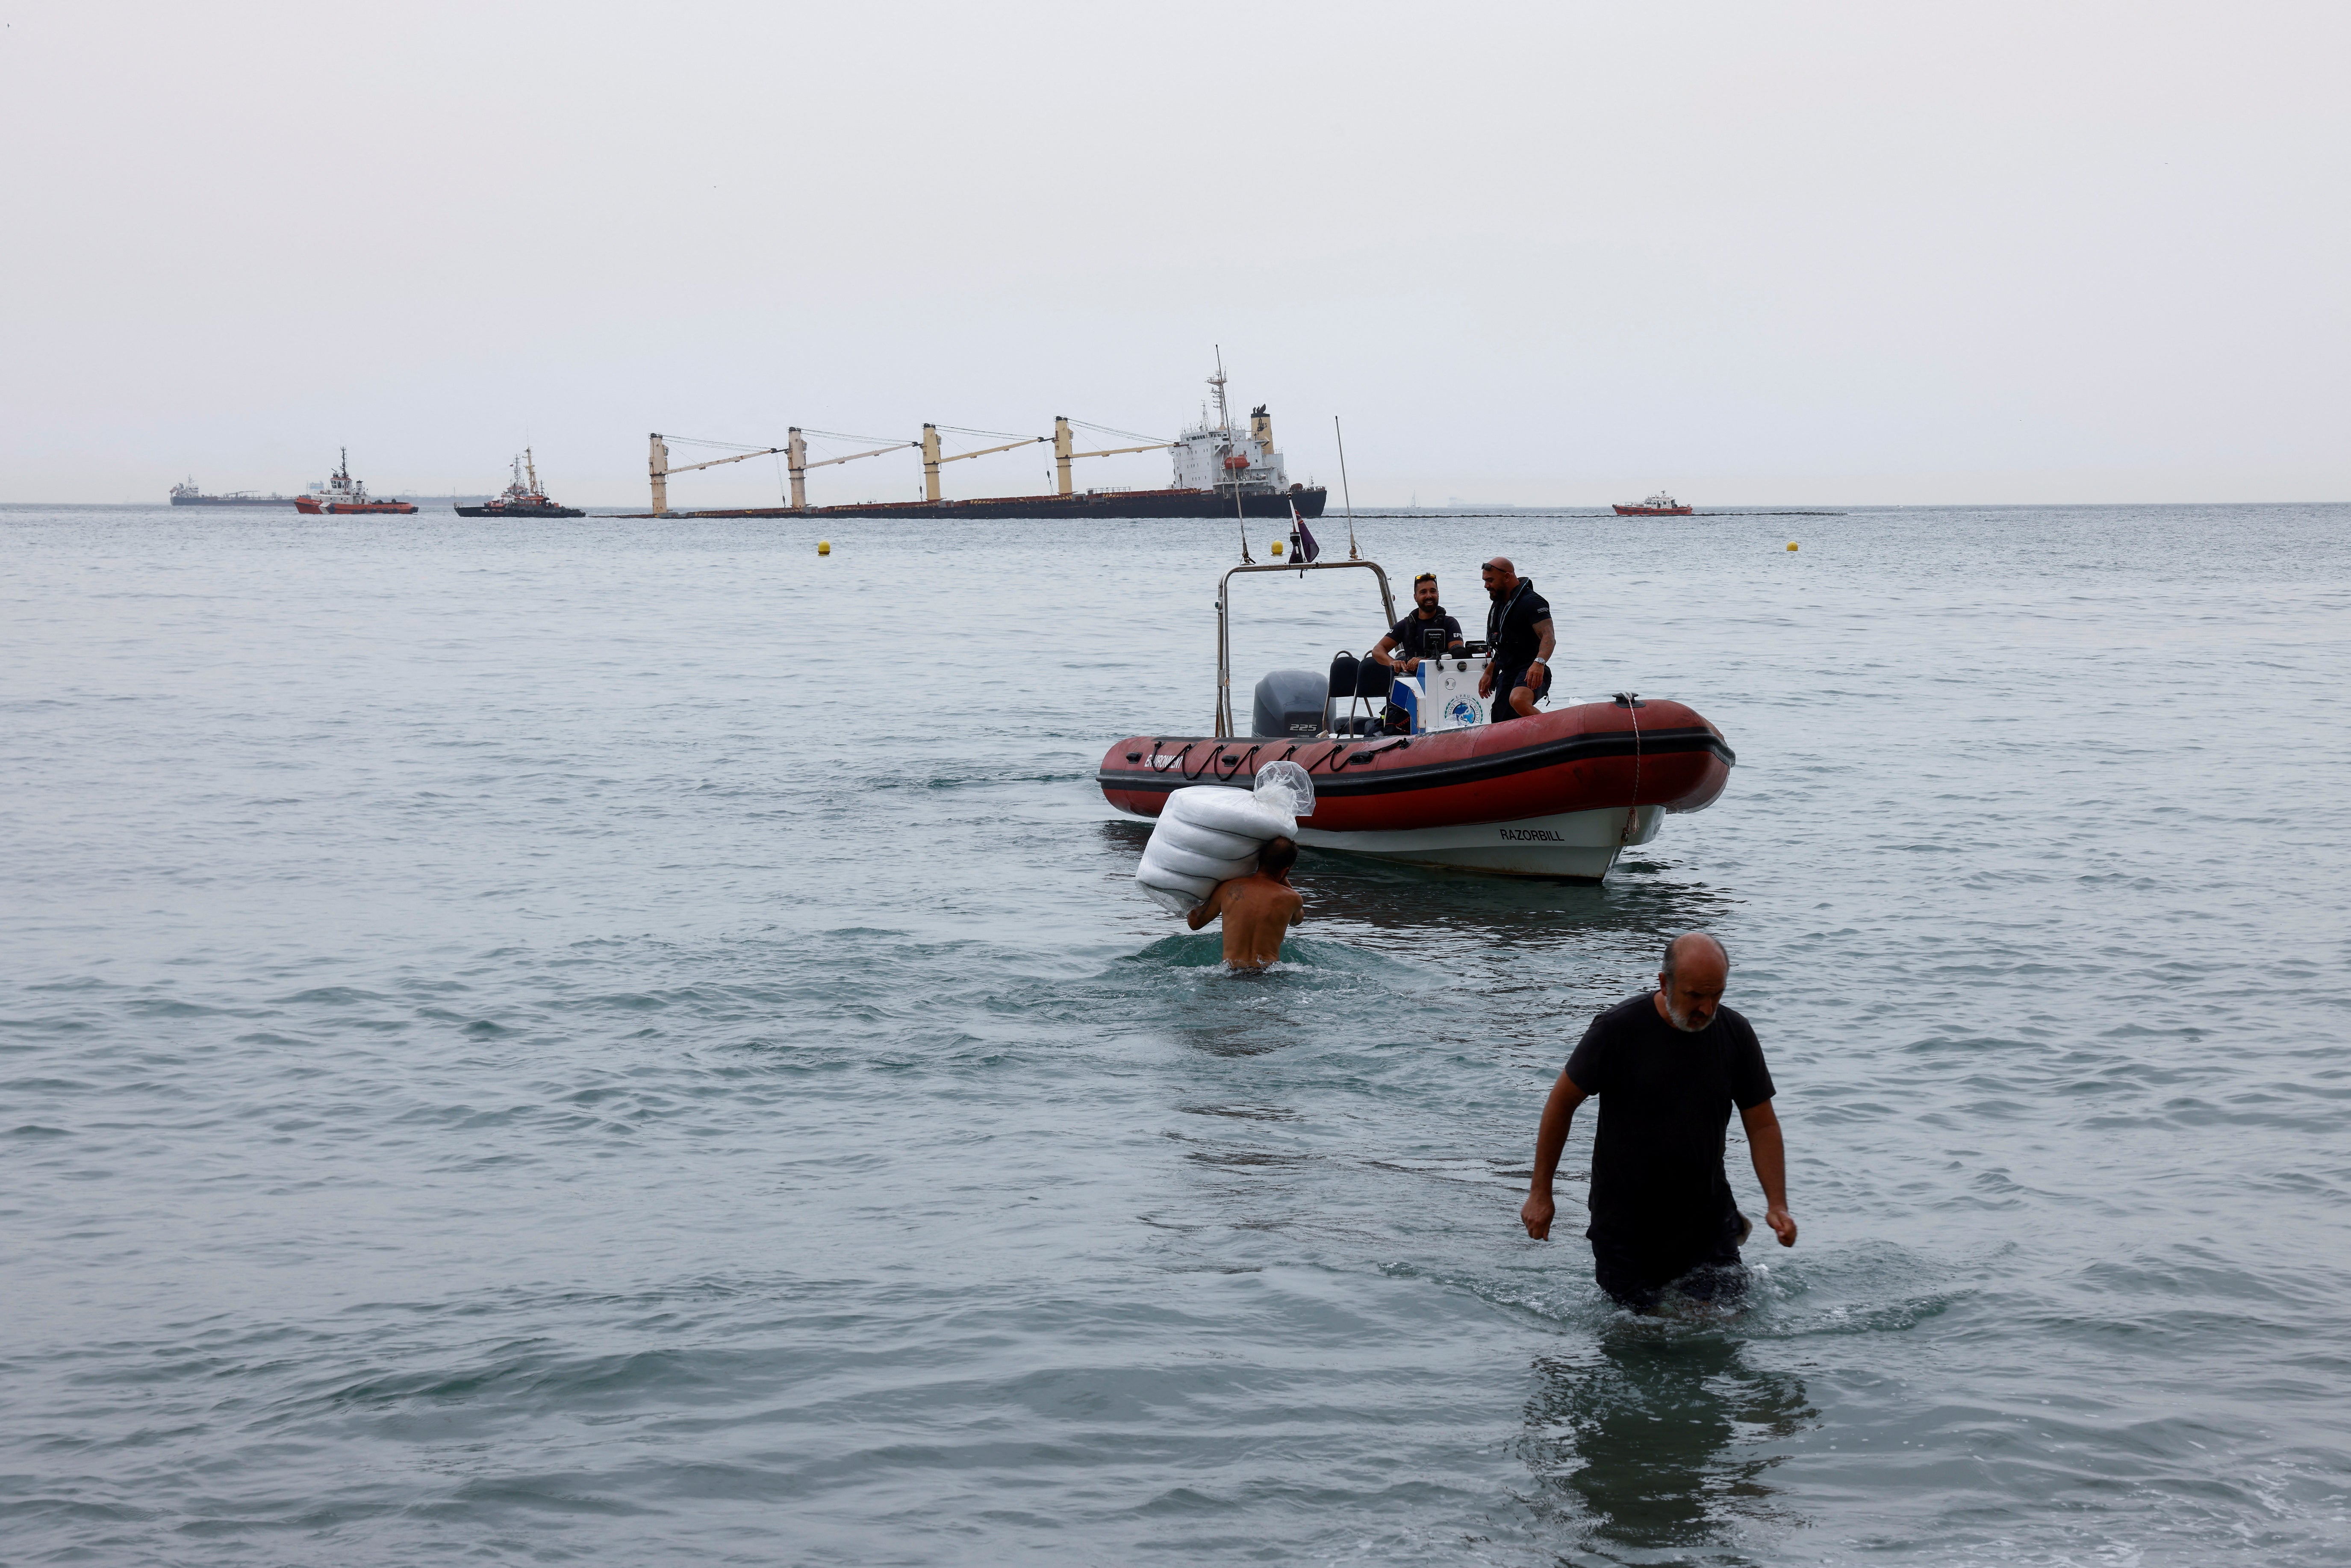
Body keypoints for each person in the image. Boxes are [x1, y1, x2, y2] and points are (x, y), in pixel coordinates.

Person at [1517, 932, 1797, 1313]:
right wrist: (1540, 1193)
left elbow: (1762, 1125)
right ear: (1665, 984)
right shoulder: (1618, 1030)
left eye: (1716, 995)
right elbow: (1561, 1103)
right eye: (1695, 995)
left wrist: (1777, 1203)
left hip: (1707, 1221)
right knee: (1643, 1340)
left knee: (1722, 1328)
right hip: (1626, 1227)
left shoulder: (1736, 1034)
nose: (1707, 1008)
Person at [1186, 836, 1305, 970]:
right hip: (1268, 975)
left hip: (1231, 973)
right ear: (1286, 871)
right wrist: (1283, 877)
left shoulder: (1229, 889)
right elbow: (1297, 920)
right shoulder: (1292, 899)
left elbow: (1194, 923)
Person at [1477, 557, 1556, 723]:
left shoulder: (1532, 602)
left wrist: (1539, 663)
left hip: (1532, 669)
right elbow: (1503, 645)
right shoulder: (1500, 605)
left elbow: (1548, 637)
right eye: (1485, 581)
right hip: (1508, 672)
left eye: (1490, 581)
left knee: (1518, 700)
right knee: (1499, 718)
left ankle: (1554, 729)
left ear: (1507, 577)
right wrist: (1489, 671)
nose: (1486, 586)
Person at [1370, 572, 1465, 675]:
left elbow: (1457, 654)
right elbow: (1377, 650)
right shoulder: (1405, 625)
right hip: (1411, 679)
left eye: (1433, 591)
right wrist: (1393, 662)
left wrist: (1426, 662)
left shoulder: (1450, 623)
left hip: (1442, 678)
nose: (1429, 596)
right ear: (1415, 597)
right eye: (1423, 592)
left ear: (1438, 594)